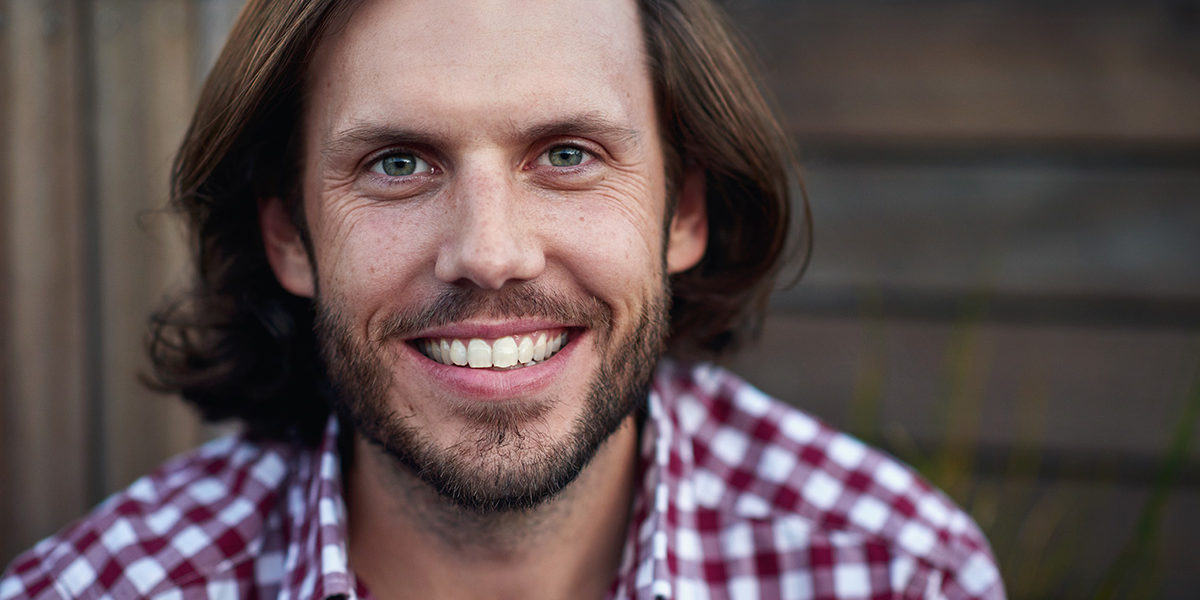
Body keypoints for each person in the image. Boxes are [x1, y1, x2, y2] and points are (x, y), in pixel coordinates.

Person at [1, 0, 1004, 598]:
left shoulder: (900, 575)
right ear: (289, 237)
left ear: (685, 212)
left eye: (566, 154)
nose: (489, 254)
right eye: (398, 163)